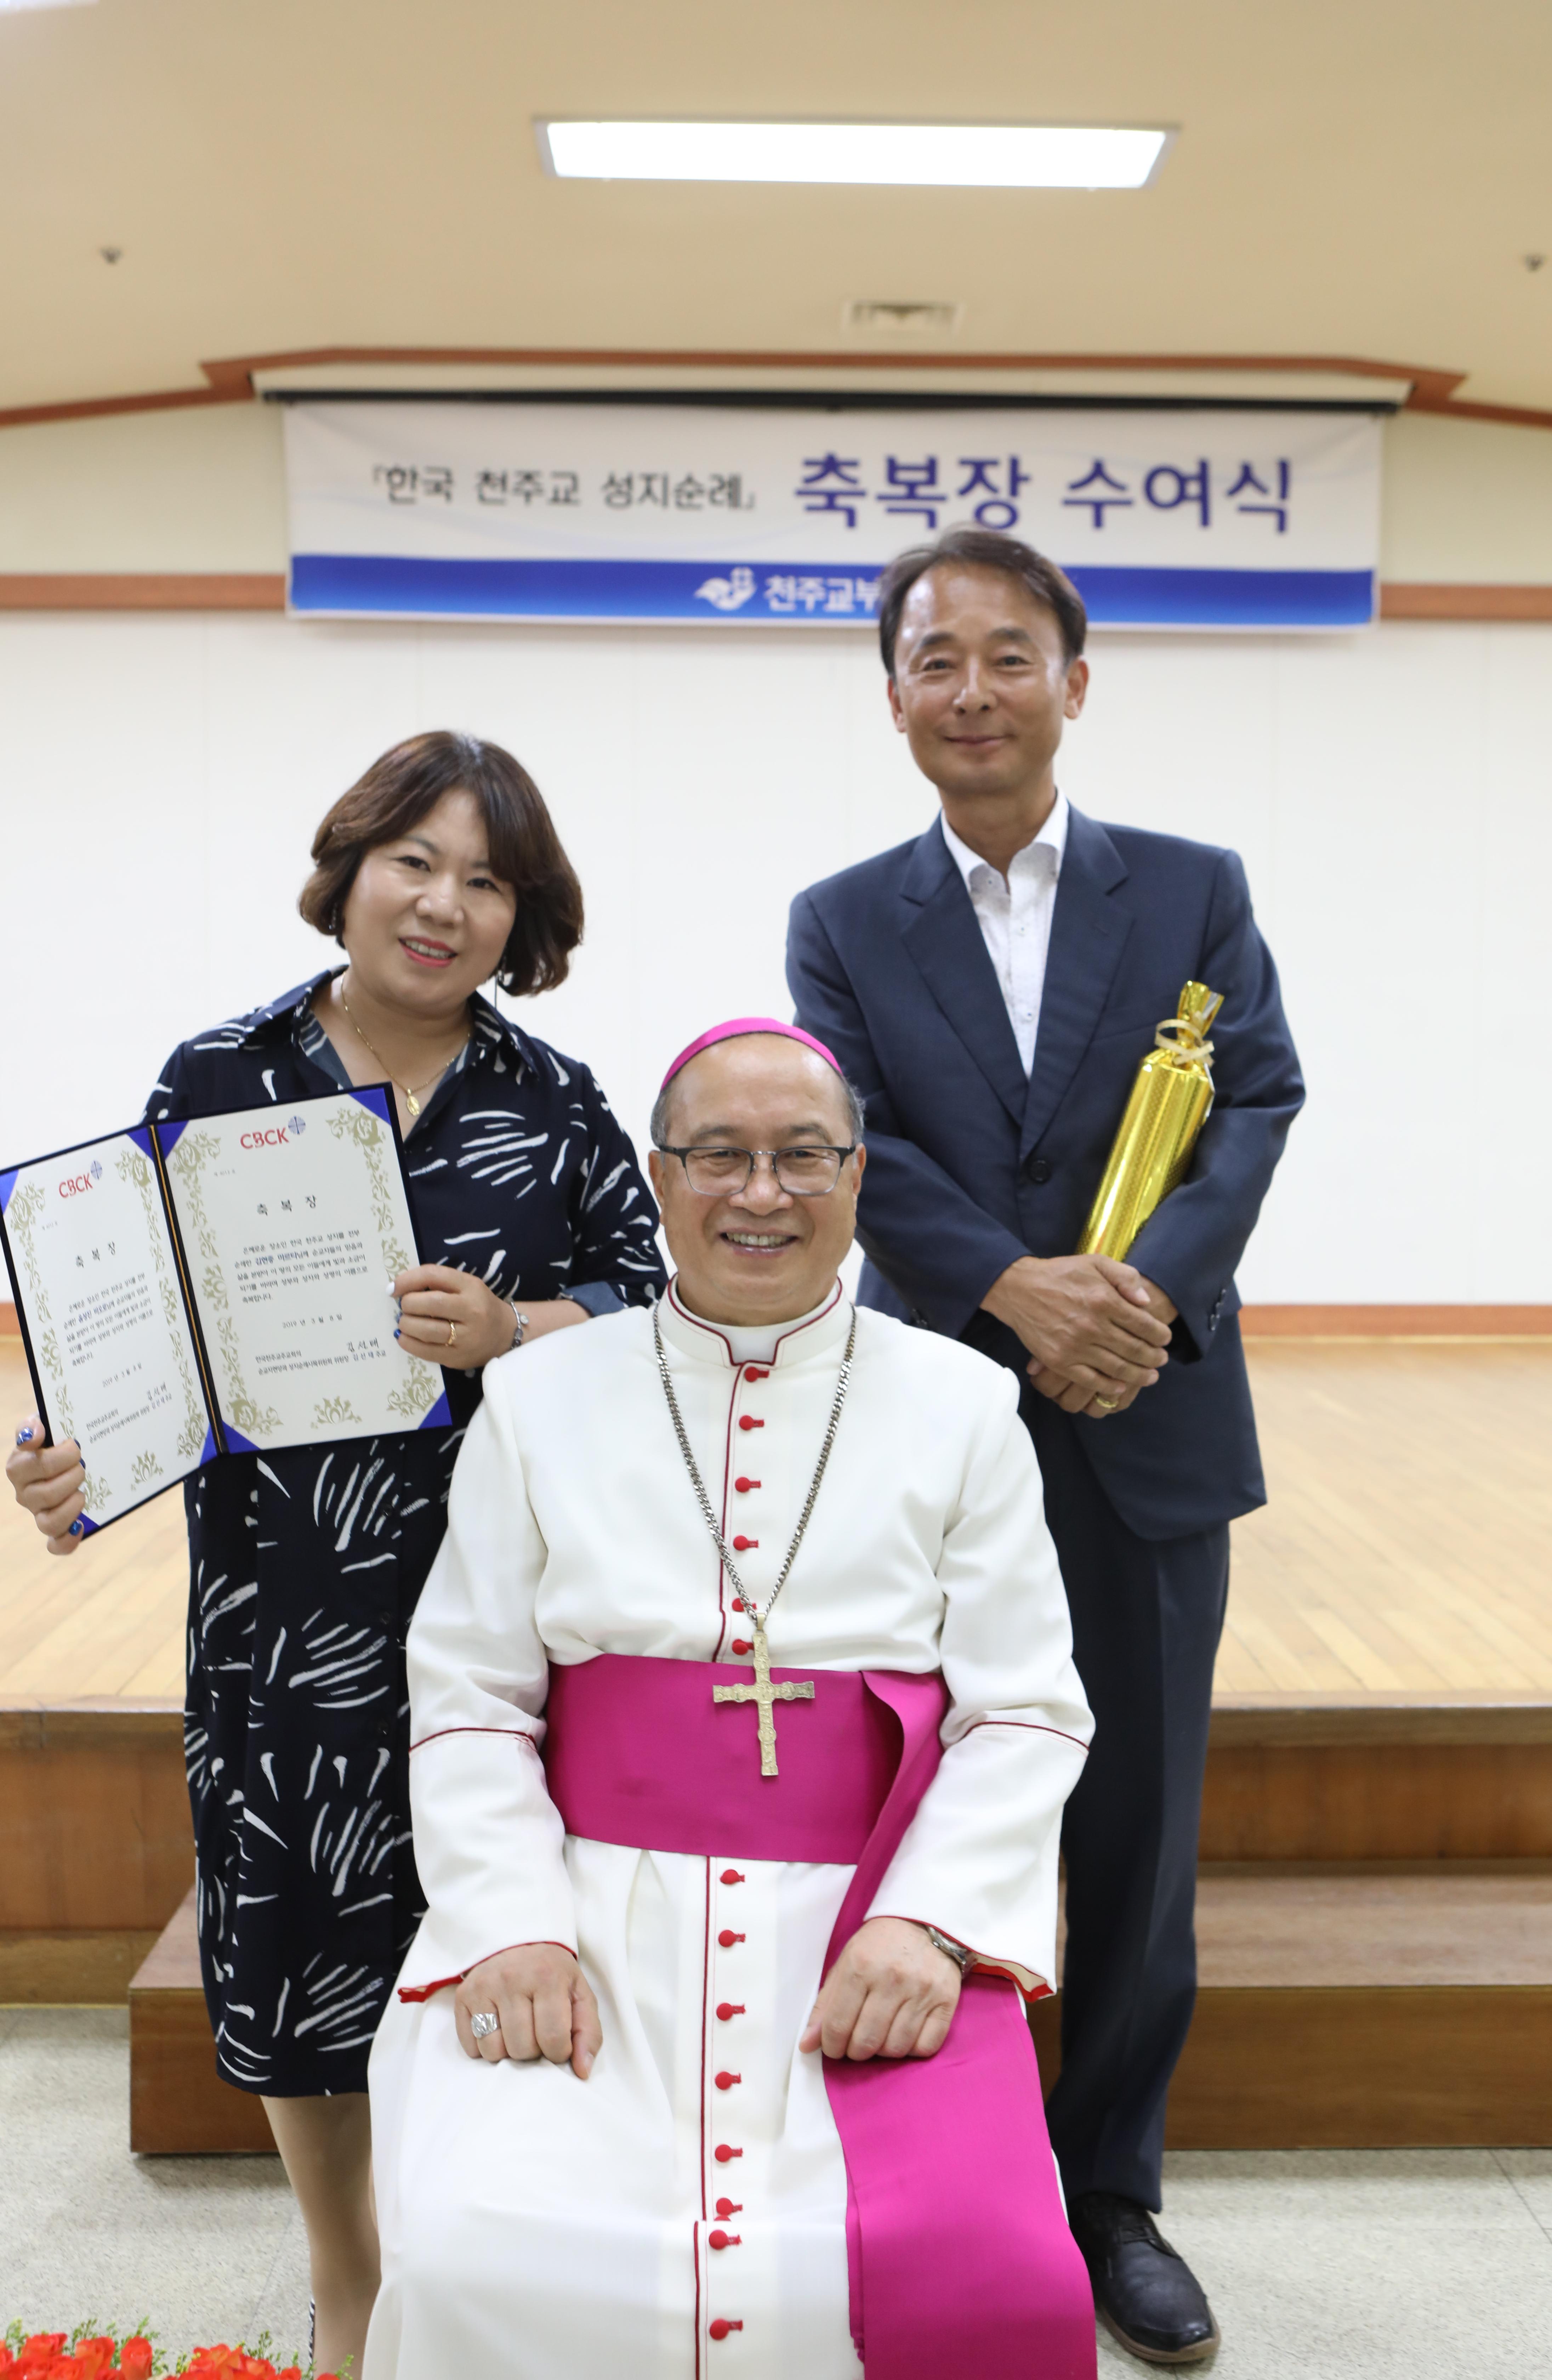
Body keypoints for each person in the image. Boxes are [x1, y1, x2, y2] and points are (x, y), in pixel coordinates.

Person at [6, 730, 665, 2380]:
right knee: (300, 1932)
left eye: (485, 881)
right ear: (350, 871)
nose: (442, 905)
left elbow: (651, 1306)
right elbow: (138, 1328)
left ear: (524, 918)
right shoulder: (220, 1075)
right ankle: (347, 2269)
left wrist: (515, 1327)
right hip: (285, 1598)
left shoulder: (554, 1100)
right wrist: (75, 1459)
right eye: (413, 863)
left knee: (494, 1915)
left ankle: (477, 2245)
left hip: (507, 1594)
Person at [362, 1019, 1098, 2380]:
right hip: (589, 1914)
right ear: (660, 1176)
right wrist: (513, 1924)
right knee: (482, 2252)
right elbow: (469, 1695)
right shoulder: (535, 1396)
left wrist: (929, 1925)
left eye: (803, 1156)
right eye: (720, 1156)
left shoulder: (965, 1404)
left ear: (857, 1176)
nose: (763, 1193)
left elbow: (1025, 1711)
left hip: (863, 1922)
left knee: (986, 2266)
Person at [785, 527, 1305, 2366]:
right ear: (894, 698)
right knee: (923, 1797)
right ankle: (947, 2162)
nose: (974, 690)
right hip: (931, 1422)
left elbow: (1255, 1097)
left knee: (1138, 1830)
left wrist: (1129, 1302)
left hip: (1149, 1408)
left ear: (1074, 682)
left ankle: (1112, 2196)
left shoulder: (1193, 889)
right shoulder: (843, 919)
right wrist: (1017, 1289)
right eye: (936, 659)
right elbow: (853, 1138)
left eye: (1009, 655)